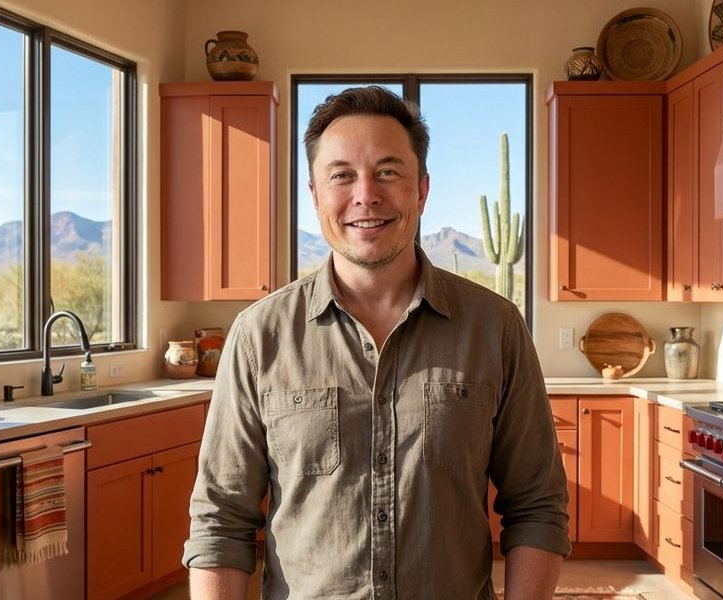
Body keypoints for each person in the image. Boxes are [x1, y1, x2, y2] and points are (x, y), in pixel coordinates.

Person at [182, 85, 569, 599]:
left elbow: (537, 505)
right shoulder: (259, 337)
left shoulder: (495, 328)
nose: (366, 194)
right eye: (341, 175)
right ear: (316, 195)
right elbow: (220, 521)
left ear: (422, 190)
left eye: (388, 172)